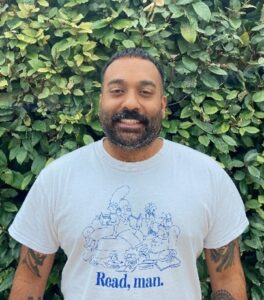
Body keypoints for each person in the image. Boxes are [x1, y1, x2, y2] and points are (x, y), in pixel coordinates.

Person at [8, 48, 249, 300]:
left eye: (145, 92)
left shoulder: (207, 176)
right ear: (101, 100)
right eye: (117, 91)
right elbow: (30, 279)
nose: (131, 103)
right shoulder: (57, 178)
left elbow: (227, 277)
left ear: (163, 105)